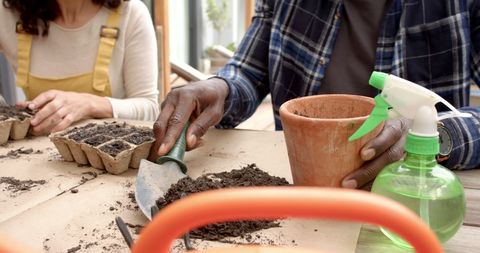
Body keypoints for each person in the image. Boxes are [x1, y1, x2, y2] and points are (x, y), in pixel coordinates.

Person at [153, 0, 480, 189]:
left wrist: (432, 135)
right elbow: (250, 70)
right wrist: (220, 87)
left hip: (411, 197)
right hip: (298, 192)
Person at [0, 0, 159, 134]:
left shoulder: (130, 13)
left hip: (110, 158)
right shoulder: (7, 12)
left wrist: (89, 104)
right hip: (33, 156)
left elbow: (149, 108)